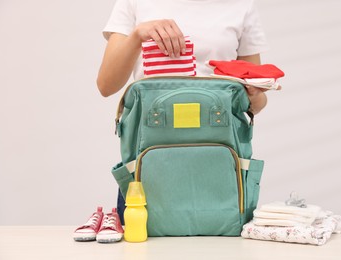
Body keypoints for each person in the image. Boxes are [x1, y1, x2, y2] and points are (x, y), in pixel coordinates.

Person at [97, 0, 271, 222]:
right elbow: (106, 85)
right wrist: (137, 35)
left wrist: (253, 92)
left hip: (220, 173)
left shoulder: (241, 6)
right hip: (149, 167)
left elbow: (257, 103)